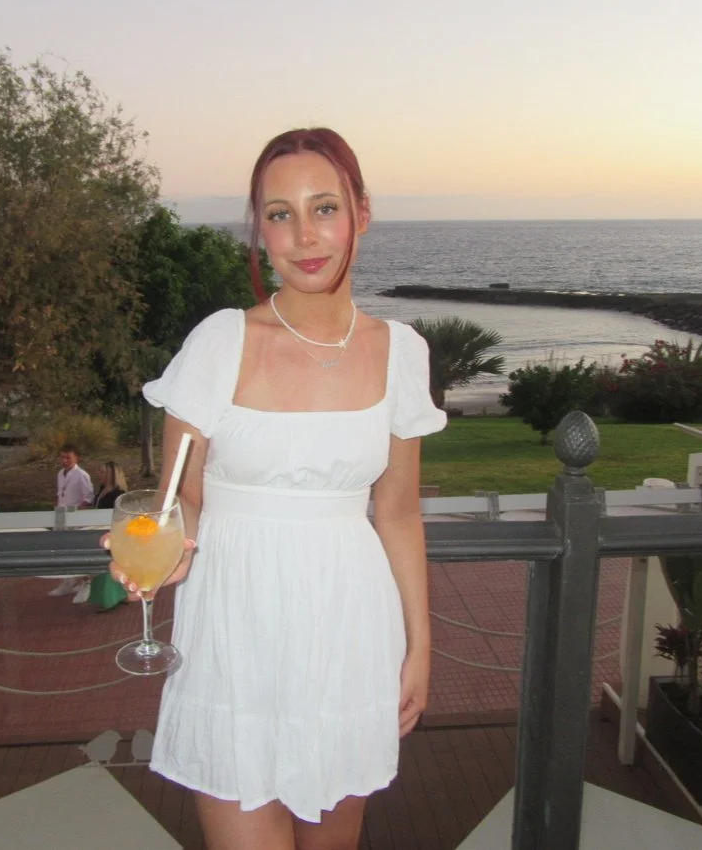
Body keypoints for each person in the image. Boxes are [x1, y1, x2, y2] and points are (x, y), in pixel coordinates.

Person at [108, 127, 445, 850]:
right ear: (259, 229)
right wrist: (163, 543)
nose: (305, 235)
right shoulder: (220, 342)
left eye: (325, 207)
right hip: (237, 634)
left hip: (351, 632)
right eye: (280, 214)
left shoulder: (400, 354)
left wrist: (420, 646)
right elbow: (182, 496)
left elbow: (397, 513)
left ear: (361, 212)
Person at [71, 462, 131, 606]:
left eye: (103, 472)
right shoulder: (102, 490)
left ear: (111, 474)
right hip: (97, 530)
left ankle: (111, 596)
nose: (99, 475)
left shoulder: (118, 494)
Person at [47, 444, 95, 597]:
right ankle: (69, 580)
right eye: (62, 457)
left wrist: (77, 514)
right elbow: (60, 494)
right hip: (61, 516)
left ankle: (83, 581)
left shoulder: (81, 475)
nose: (64, 461)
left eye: (68, 457)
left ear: (76, 458)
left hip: (75, 518)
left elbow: (88, 498)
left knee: (76, 550)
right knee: (61, 550)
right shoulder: (60, 474)